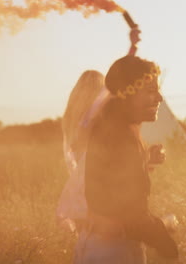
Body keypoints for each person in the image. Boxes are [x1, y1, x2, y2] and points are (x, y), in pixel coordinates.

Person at [73, 55, 179, 263]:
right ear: (127, 95)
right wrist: (164, 232)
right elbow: (132, 217)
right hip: (113, 251)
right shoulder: (122, 139)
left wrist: (145, 159)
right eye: (150, 91)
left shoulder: (112, 130)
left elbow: (113, 180)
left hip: (96, 246)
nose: (159, 98)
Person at [57, 70, 110, 231]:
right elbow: (111, 91)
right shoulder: (90, 120)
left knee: (84, 236)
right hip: (96, 185)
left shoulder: (69, 119)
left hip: (76, 186)